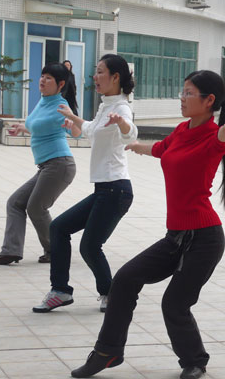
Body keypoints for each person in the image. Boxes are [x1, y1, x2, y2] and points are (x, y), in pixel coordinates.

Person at [70, 70, 225, 379]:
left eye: (188, 93)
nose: (181, 98)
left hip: (205, 238)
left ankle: (194, 361)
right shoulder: (182, 130)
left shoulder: (214, 135)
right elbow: (161, 149)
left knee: (174, 303)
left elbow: (222, 137)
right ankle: (107, 352)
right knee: (125, 279)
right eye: (182, 91)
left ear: (209, 100)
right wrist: (136, 146)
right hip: (176, 236)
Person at [32, 54, 137, 313]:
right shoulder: (106, 105)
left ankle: (111, 294)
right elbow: (91, 130)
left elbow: (130, 134)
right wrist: (73, 118)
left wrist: (123, 124)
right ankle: (61, 291)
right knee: (59, 228)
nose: (95, 77)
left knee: (90, 246)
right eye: (95, 71)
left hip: (116, 189)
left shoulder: (121, 108)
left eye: (100, 72)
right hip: (104, 189)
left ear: (115, 77)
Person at [0, 63, 78, 265]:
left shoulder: (61, 106)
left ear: (60, 84)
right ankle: (11, 251)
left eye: (49, 78)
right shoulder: (43, 101)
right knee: (15, 202)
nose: (42, 80)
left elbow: (77, 132)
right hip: (47, 166)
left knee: (36, 208)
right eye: (42, 76)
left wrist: (72, 125)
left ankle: (57, 251)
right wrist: (22, 128)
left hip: (60, 165)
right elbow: (40, 128)